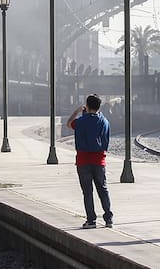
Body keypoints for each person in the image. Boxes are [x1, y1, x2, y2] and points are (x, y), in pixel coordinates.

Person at [66, 93, 113, 229]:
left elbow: (69, 123)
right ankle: (108, 219)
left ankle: (91, 220)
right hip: (99, 160)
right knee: (103, 190)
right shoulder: (104, 121)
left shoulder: (81, 121)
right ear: (99, 106)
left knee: (88, 192)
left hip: (83, 160)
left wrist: (77, 111)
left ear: (86, 106)